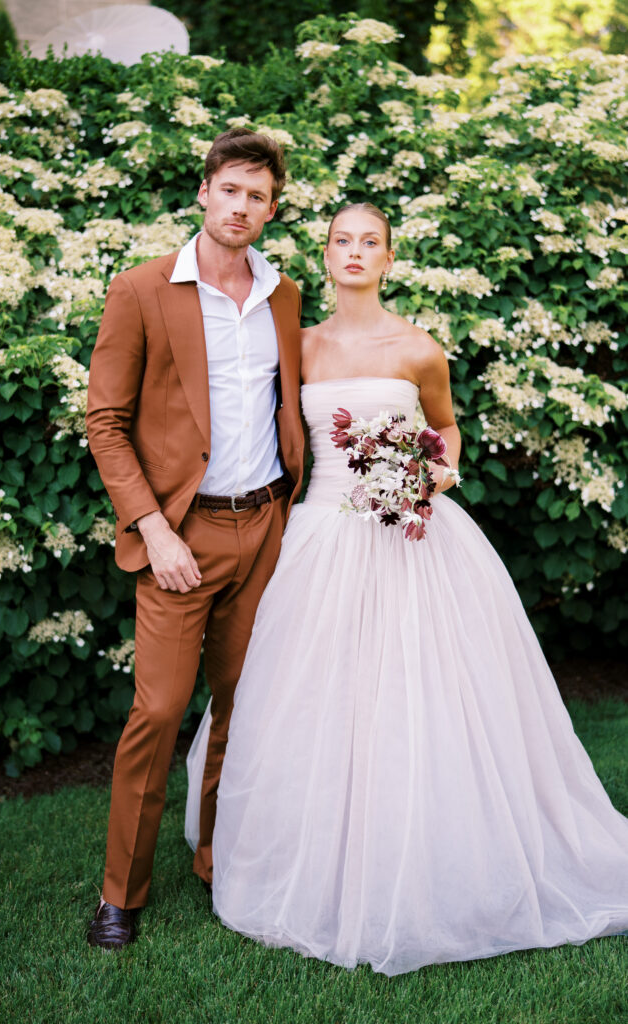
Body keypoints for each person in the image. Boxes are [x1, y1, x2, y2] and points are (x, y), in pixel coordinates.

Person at [185, 203, 628, 976]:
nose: (354, 253)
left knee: (421, 693)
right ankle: (306, 853)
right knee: (312, 699)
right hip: (320, 539)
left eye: (369, 243)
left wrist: (434, 473)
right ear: (323, 257)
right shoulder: (296, 347)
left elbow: (446, 429)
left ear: (390, 259)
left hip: (412, 540)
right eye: (340, 241)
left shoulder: (418, 348)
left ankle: (435, 850)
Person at [85, 129, 305, 949]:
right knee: (161, 710)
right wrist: (153, 527)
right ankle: (121, 892)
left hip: (268, 528)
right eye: (231, 189)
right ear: (203, 192)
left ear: (269, 210)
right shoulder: (142, 289)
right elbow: (105, 422)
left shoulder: (283, 295)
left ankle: (219, 856)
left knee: (241, 711)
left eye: (258, 196)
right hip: (181, 536)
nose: (241, 206)